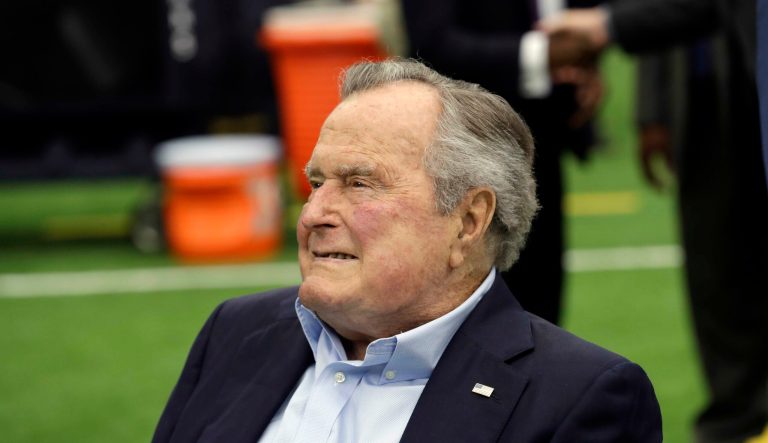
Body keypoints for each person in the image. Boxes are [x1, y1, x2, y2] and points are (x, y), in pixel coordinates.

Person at [152, 59, 661, 442]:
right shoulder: (236, 331)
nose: (313, 215)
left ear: (468, 221)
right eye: (317, 183)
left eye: (359, 184)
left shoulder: (579, 397)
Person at [540, 3, 768, 442]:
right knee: (713, 263)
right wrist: (652, 112)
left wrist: (606, 26)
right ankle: (736, 414)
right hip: (703, 100)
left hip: (747, 81)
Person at [400, 0, 603, 325]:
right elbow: (432, 42)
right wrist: (540, 54)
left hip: (542, 140)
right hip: (463, 144)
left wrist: (584, 65)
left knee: (540, 308)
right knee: (466, 308)